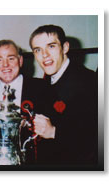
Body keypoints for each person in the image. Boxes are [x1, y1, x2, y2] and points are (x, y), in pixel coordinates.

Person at [29, 24, 98, 165]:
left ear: (65, 47)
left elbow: (95, 139)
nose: (45, 55)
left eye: (51, 46)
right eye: (38, 50)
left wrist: (54, 132)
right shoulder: (49, 78)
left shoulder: (90, 82)